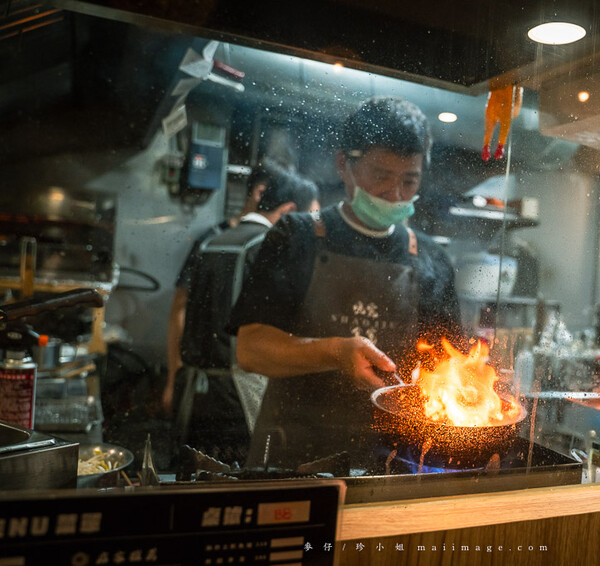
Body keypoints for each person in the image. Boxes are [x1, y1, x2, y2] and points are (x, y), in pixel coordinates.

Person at [228, 96, 463, 468]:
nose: (395, 194)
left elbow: (447, 368)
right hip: (296, 455)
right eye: (380, 175)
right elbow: (251, 349)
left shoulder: (432, 259)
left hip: (391, 459)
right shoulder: (297, 236)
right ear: (344, 165)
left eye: (409, 180)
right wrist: (336, 353)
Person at [169, 171, 320, 463]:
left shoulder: (211, 241)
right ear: (289, 212)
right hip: (238, 393)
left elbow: (182, 307)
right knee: (238, 482)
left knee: (195, 479)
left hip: (193, 391)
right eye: (310, 218)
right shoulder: (270, 246)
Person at [163, 167, 272, 415]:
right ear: (260, 192)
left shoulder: (269, 246)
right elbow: (180, 308)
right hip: (202, 381)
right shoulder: (210, 240)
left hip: (243, 385)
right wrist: (174, 377)